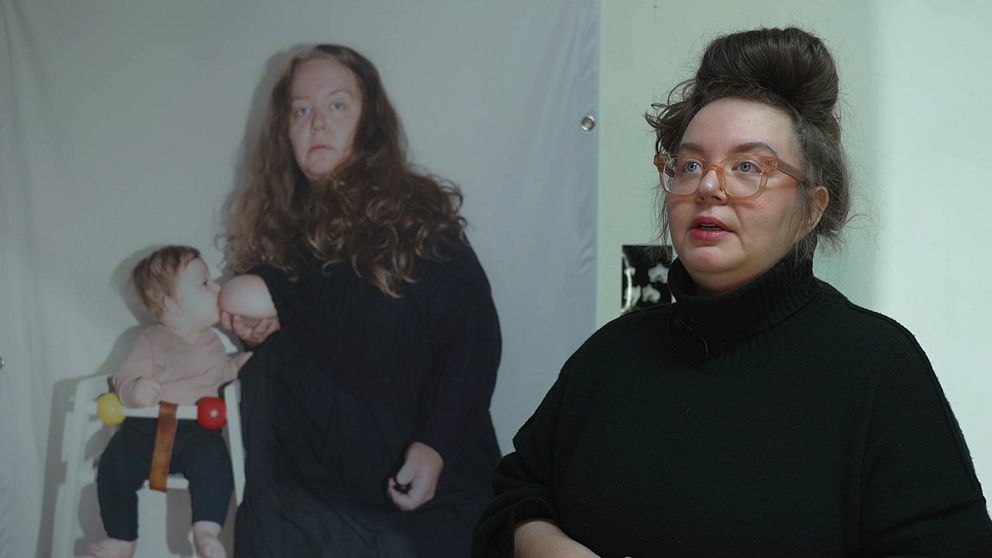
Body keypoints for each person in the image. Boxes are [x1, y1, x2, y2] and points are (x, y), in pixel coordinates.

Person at [472, 27, 992, 557]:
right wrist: (545, 546)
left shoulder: (877, 367)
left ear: (811, 210)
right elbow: (513, 498)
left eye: (748, 167)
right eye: (690, 165)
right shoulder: (609, 357)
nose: (708, 186)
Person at [222, 44, 502, 556]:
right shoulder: (277, 235)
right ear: (284, 130)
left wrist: (435, 445)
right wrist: (259, 333)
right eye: (301, 110)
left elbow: (472, 337)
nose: (317, 124)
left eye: (337, 105)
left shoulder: (415, 217)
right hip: (309, 511)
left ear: (369, 122)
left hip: (418, 494)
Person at [91, 246, 251, 558]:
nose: (216, 287)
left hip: (197, 436)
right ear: (173, 303)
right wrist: (136, 389)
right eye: (205, 283)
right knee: (113, 465)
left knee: (217, 467)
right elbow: (123, 377)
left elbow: (220, 377)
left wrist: (238, 366)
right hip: (144, 434)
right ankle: (122, 537)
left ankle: (206, 531)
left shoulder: (214, 343)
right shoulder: (152, 340)